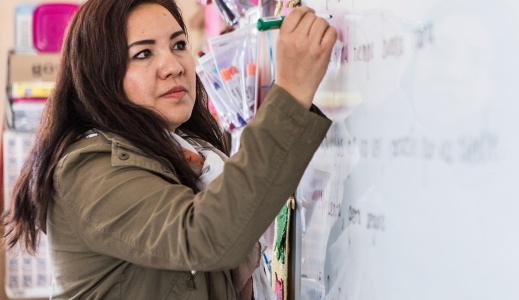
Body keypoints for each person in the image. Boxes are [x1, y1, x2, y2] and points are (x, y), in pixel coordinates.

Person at [1, 0, 337, 298]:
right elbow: (207, 236)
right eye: (143, 53)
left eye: (179, 45)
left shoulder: (190, 152)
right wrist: (291, 93)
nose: (174, 65)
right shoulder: (87, 169)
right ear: (101, 77)